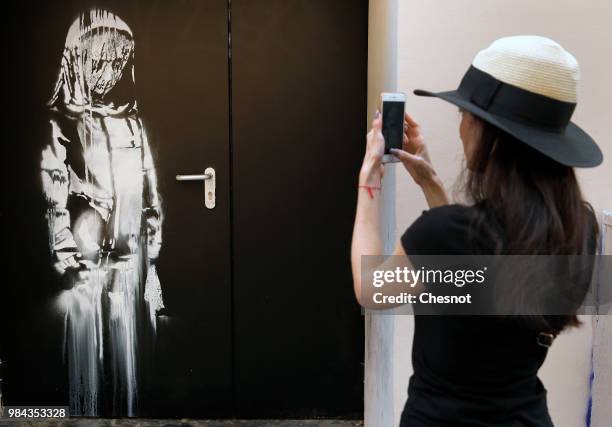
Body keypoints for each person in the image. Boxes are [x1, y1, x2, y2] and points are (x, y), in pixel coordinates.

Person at [351, 35, 602, 426]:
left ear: (491, 135)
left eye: (466, 114)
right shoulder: (579, 230)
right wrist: (432, 184)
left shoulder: (446, 233)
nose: (462, 125)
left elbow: (371, 290)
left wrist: (368, 182)